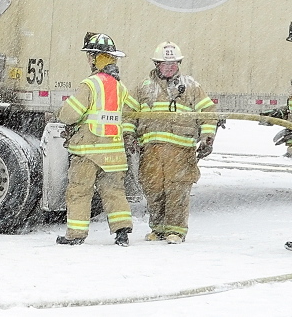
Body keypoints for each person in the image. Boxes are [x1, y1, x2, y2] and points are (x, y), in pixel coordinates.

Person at [56, 33, 138, 247]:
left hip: (88, 150)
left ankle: (76, 235)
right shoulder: (120, 87)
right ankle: (122, 232)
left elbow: (69, 114)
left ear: (94, 58)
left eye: (90, 55)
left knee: (79, 191)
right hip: (114, 154)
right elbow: (132, 109)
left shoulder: (90, 84)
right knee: (114, 192)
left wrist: (62, 114)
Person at [131, 41, 216, 244]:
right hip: (151, 152)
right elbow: (128, 116)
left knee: (177, 191)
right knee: (153, 190)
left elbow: (209, 114)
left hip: (181, 152)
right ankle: (158, 229)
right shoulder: (144, 88)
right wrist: (128, 137)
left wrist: (207, 139)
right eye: (165, 63)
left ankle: (176, 231)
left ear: (179, 64)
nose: (170, 67)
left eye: (174, 64)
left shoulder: (192, 87)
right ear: (156, 64)